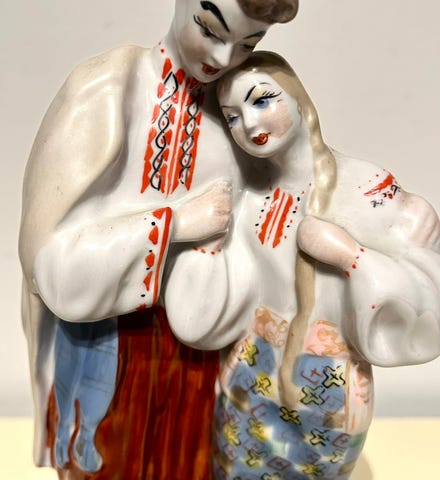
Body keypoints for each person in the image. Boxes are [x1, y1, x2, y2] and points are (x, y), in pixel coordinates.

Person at [18, 2, 299, 478]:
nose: (223, 58)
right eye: (210, 30)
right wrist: (174, 224)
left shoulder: (241, 106)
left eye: (247, 44)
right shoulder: (108, 89)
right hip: (104, 338)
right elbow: (47, 259)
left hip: (199, 348)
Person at [164, 51, 440, 479]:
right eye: (232, 117)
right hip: (250, 379)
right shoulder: (249, 200)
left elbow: (429, 289)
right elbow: (210, 313)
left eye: (261, 100)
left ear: (300, 100)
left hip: (329, 388)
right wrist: (206, 242)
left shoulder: (365, 189)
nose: (248, 123)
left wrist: (351, 256)